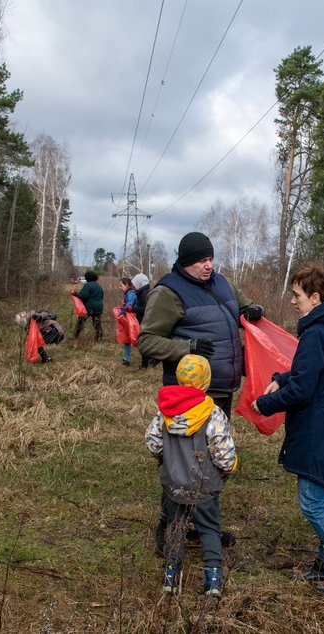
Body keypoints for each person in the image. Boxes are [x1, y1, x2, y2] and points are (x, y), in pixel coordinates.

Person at [138, 231, 263, 553]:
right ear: (184, 262)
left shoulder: (221, 282)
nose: (208, 266)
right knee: (181, 466)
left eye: (210, 259)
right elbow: (147, 340)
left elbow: (242, 305)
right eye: (200, 261)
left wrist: (252, 310)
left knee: (214, 462)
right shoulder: (167, 292)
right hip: (186, 395)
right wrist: (186, 347)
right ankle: (169, 534)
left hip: (221, 388)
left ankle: (202, 527)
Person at [252, 264, 324, 596]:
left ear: (315, 297)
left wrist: (264, 404)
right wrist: (281, 379)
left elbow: (303, 391)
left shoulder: (316, 332)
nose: (292, 301)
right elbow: (317, 375)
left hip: (320, 428)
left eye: (296, 295)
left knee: (312, 503)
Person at [145, 354, 238, 597]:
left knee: (175, 528)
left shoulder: (166, 410)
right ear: (206, 382)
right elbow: (223, 453)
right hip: (204, 487)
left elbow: (153, 442)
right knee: (209, 530)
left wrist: (168, 458)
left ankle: (171, 577)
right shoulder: (212, 413)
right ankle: (213, 580)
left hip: (173, 485)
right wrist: (230, 466)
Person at [131, 273, 156, 369]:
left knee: (144, 342)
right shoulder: (144, 292)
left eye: (135, 284)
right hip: (145, 320)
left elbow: (145, 308)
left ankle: (145, 365)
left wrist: (133, 308)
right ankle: (149, 362)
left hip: (145, 321)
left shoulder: (144, 293)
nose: (133, 286)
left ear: (139, 284)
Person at [72, 271, 104, 341]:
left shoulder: (88, 285)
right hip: (99, 307)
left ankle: (75, 337)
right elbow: (102, 296)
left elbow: (84, 296)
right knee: (97, 324)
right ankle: (100, 339)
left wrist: (75, 294)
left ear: (87, 278)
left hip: (89, 308)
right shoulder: (99, 286)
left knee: (80, 322)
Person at [117, 277, 137, 366]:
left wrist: (121, 313)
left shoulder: (130, 293)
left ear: (127, 285)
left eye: (121, 285)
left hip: (132, 319)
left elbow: (129, 304)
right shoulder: (128, 293)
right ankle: (126, 359)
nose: (120, 287)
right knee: (127, 339)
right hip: (129, 317)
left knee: (131, 338)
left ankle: (127, 359)